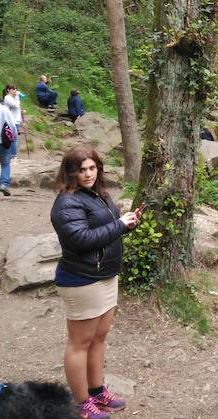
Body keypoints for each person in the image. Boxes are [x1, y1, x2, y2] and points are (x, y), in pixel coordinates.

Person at [50, 147, 141, 419]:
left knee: (99, 337)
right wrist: (119, 226)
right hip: (81, 280)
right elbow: (80, 239)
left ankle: (97, 390)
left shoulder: (98, 194)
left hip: (104, 275)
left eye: (92, 168)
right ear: (70, 172)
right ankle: (82, 404)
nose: (88, 174)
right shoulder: (66, 203)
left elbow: (107, 228)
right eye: (81, 169)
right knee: (80, 342)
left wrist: (127, 222)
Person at [2, 84, 24, 160]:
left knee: (14, 138)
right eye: (13, 89)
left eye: (15, 89)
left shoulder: (12, 98)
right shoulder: (7, 98)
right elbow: (16, 106)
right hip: (12, 121)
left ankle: (12, 154)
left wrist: (20, 111)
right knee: (14, 138)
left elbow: (15, 108)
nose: (15, 90)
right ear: (8, 90)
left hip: (15, 120)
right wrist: (17, 97)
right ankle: (12, 155)